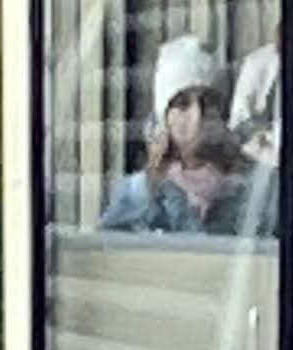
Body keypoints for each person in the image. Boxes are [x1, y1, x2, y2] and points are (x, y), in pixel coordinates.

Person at [99, 36, 237, 230]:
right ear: (164, 118)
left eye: (208, 102)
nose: (197, 116)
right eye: (182, 105)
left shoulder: (246, 190)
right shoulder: (138, 193)